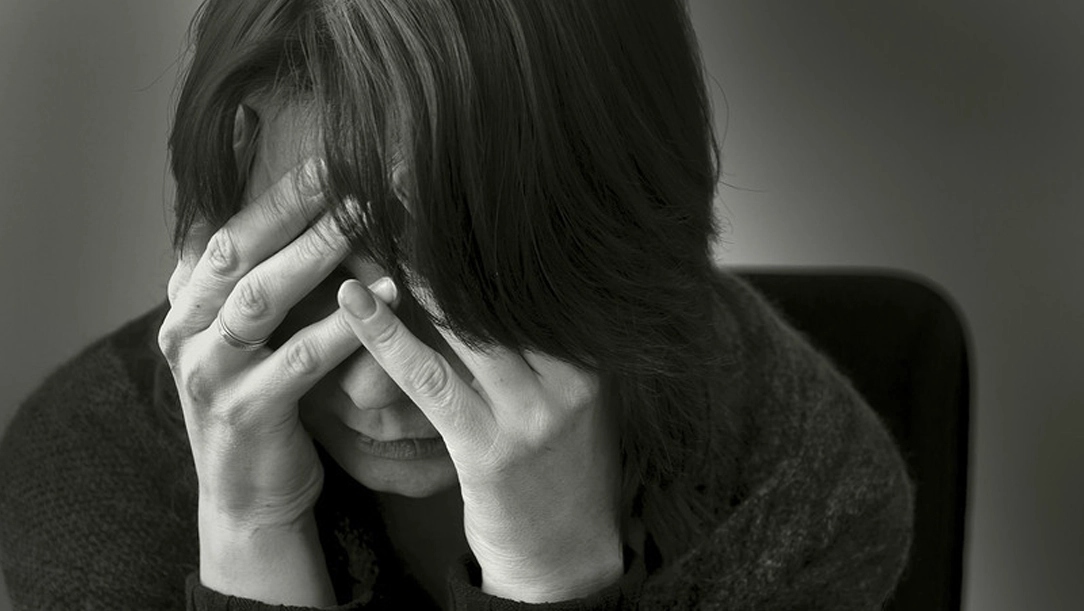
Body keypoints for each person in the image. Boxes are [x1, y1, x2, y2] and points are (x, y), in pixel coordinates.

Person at [0, 0, 914, 609]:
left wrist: (552, 575)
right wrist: (251, 533)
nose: (378, 387)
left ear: (624, 241)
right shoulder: (95, 470)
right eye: (309, 281)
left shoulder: (795, 482)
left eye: (469, 289)